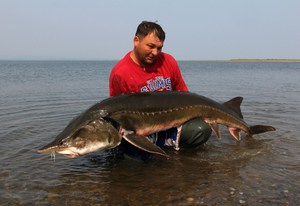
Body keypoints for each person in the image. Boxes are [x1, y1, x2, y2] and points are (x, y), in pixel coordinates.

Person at [109, 21, 211, 160]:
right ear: (136, 41)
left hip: (171, 124)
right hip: (141, 131)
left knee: (201, 130)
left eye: (159, 48)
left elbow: (184, 97)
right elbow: (116, 116)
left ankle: (178, 158)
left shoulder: (168, 61)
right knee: (131, 162)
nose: (155, 52)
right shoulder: (120, 73)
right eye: (150, 46)